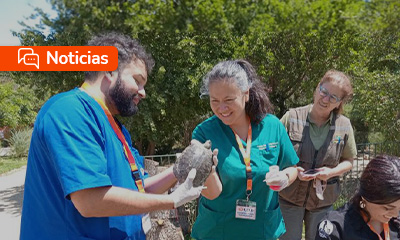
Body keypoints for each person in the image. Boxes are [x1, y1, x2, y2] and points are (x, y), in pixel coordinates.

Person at [20, 33, 206, 240]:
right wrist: (173, 201)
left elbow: (141, 187)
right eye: (138, 80)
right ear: (109, 70)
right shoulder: (69, 110)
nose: (143, 92)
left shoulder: (114, 125)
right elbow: (91, 201)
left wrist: (181, 169)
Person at [190, 59, 299, 240]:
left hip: (262, 230)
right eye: (214, 100)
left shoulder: (272, 126)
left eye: (229, 100)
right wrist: (206, 169)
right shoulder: (204, 133)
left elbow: (293, 167)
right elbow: (211, 193)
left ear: (246, 94)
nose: (221, 108)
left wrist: (285, 178)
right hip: (218, 231)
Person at [278, 70, 358, 240]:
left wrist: (330, 173)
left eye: (333, 97)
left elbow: (349, 161)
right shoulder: (291, 117)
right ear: (317, 89)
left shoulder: (344, 125)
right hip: (289, 198)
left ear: (339, 103)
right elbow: (273, 152)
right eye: (324, 91)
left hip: (322, 202)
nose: (326, 99)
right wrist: (290, 171)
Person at [316, 155, 400, 240]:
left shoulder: (396, 221)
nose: (395, 214)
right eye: (388, 208)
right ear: (366, 197)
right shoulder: (335, 227)